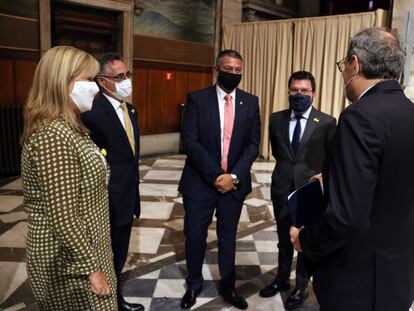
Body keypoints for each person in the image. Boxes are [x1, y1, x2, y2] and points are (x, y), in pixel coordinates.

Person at [290, 27, 414, 311]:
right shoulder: (410, 111)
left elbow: (347, 219)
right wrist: (335, 176)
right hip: (398, 273)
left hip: (358, 280)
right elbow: (394, 177)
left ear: (355, 64)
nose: (343, 73)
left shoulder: (358, 116)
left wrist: (305, 240)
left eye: (343, 65)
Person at [21, 46, 117, 310]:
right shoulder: (53, 135)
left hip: (86, 251)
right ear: (61, 82)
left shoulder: (71, 128)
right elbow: (63, 216)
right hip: (68, 262)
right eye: (88, 80)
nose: (95, 88)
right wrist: (92, 269)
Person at [178, 49, 261, 310]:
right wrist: (216, 176)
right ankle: (193, 284)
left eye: (238, 70)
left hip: (233, 185)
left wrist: (233, 176)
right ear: (216, 70)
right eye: (229, 69)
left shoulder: (251, 101)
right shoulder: (197, 99)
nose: (233, 74)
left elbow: (253, 144)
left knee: (228, 237)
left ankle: (227, 286)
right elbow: (189, 142)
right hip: (200, 183)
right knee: (194, 235)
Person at [259, 71, 336, 309]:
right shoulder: (276, 118)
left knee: (304, 239)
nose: (299, 95)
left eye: (304, 91)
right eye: (295, 90)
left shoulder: (326, 122)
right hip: (281, 187)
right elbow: (279, 152)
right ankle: (282, 279)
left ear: (313, 93)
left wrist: (324, 174)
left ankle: (301, 285)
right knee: (283, 238)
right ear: (288, 91)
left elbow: (332, 157)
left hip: (309, 191)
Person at [81, 53, 143, 311]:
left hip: (128, 197)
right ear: (102, 81)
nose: (126, 81)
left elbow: (129, 157)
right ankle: (107, 302)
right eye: (119, 77)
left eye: (127, 75)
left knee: (120, 253)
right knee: (105, 257)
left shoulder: (130, 109)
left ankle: (115, 299)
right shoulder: (92, 113)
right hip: (106, 199)